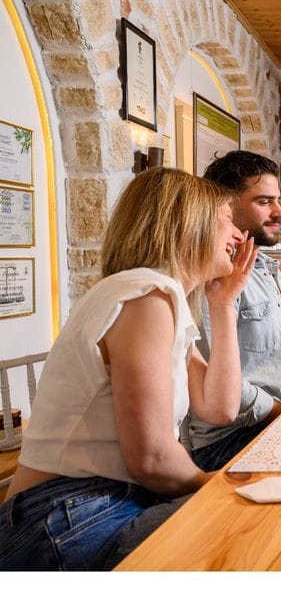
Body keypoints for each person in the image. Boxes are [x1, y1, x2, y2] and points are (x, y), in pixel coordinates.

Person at [0, 167, 255, 570]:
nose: (240, 236)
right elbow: (151, 457)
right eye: (228, 220)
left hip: (95, 506)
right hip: (66, 515)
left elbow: (219, 408)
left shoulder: (154, 297)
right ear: (189, 225)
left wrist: (223, 305)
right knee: (252, 522)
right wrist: (220, 486)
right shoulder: (143, 296)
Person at [188, 150, 281, 472]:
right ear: (227, 207)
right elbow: (211, 383)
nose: (280, 212)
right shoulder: (211, 279)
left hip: (278, 417)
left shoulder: (268, 268)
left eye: (278, 200)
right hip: (229, 439)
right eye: (264, 202)